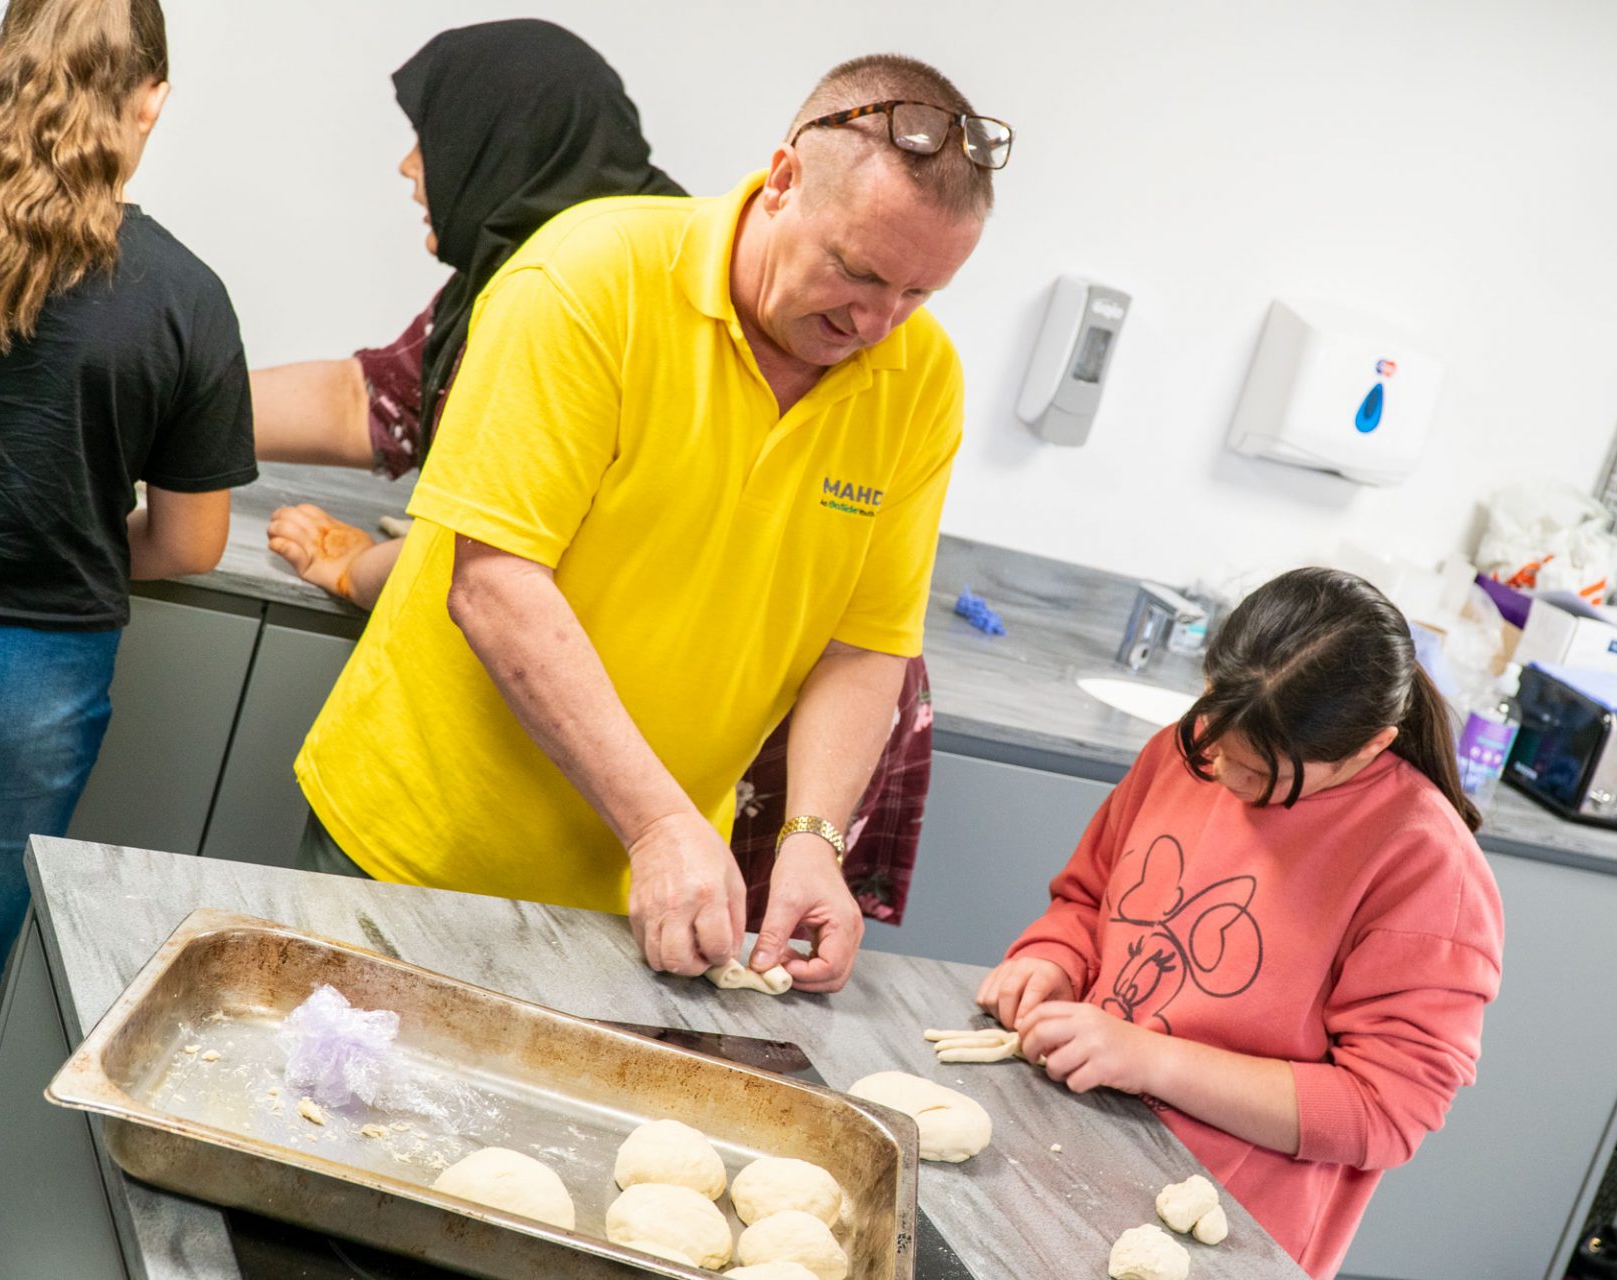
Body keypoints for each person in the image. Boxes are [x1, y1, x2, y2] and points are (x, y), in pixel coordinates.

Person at [292, 54, 1010, 994]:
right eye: (857, 271)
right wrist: (660, 823)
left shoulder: (921, 380)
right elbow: (495, 584)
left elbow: (864, 645)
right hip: (422, 854)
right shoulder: (590, 281)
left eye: (918, 294)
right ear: (783, 180)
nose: (878, 324)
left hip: (638, 900)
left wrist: (810, 840)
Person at [977, 569, 1505, 1278]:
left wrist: (1152, 1059)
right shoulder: (1193, 749)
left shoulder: (1426, 868)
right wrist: (1051, 958)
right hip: (1073, 1150)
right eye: (1217, 743)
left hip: (1226, 1231)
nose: (1223, 774)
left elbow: (1382, 1112)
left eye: (1261, 775)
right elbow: (1088, 899)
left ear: (1370, 746)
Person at [0, 0, 256, 1020]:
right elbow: (190, 541)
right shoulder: (186, 296)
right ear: (153, 100)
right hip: (40, 668)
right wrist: (75, 535)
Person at [254, 18, 684, 607]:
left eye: (429, 140)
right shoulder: (530, 255)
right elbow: (372, 403)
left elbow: (506, 539)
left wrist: (358, 569)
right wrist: (164, 404)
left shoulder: (599, 295)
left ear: (498, 146)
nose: (408, 165)